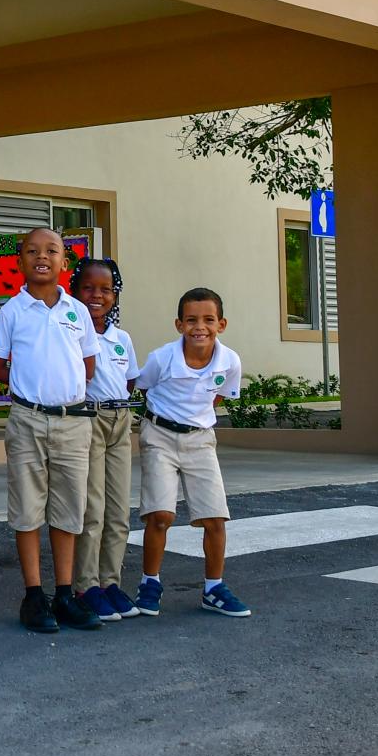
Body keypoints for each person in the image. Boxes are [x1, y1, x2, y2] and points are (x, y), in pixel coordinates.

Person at [0, 227, 100, 634]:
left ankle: (65, 593)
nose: (42, 257)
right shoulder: (12, 310)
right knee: (28, 508)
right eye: (32, 251)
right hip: (28, 420)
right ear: (21, 262)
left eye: (51, 250)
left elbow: (87, 366)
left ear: (64, 263)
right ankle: (34, 595)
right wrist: (30, 376)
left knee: (69, 508)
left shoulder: (78, 311)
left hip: (72, 421)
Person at [132, 287, 250, 618]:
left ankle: (214, 589)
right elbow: (144, 387)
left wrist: (195, 420)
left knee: (215, 517)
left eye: (209, 320)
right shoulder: (162, 358)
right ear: (179, 324)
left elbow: (219, 396)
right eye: (191, 320)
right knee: (160, 515)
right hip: (159, 435)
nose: (200, 327)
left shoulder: (230, 361)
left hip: (200, 440)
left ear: (221, 324)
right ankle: (150, 583)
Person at [70, 258, 142, 624]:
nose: (97, 296)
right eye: (88, 288)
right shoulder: (73, 333)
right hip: (90, 418)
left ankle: (111, 580)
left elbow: (129, 380)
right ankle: (86, 584)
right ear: (75, 290)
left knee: (118, 509)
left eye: (106, 290)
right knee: (92, 508)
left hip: (120, 420)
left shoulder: (121, 338)